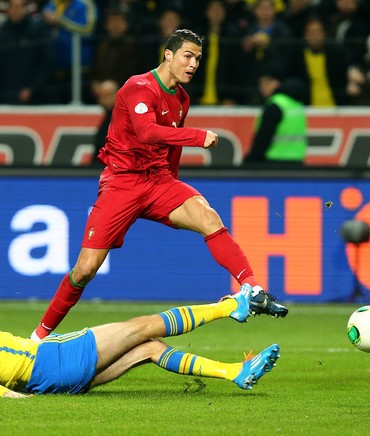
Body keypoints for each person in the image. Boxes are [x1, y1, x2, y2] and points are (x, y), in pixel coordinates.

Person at [32, 29, 288, 341]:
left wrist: (173, 185)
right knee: (85, 269)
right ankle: (38, 338)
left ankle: (252, 288)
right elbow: (147, 132)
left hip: (158, 181)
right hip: (122, 183)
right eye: (188, 56)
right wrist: (198, 136)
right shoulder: (138, 87)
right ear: (168, 54)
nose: (193, 64)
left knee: (208, 217)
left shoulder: (181, 99)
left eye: (198, 59)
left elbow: (171, 149)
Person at [0, 262, 281, 396]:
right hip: (50, 360)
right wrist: (9, 399)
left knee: (149, 347)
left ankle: (235, 372)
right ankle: (235, 305)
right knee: (142, 326)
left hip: (50, 383)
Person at [245, 70, 308, 166]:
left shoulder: (275, 105)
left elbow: (263, 137)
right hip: (297, 161)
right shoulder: (296, 103)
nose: (263, 87)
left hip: (274, 162)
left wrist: (251, 160)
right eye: (261, 83)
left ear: (277, 83)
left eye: (267, 82)